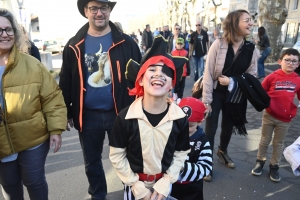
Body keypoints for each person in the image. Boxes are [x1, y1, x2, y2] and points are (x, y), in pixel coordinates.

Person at [59, 0, 141, 199]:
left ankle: (131, 192)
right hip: (88, 115)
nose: (99, 13)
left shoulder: (126, 42)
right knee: (92, 162)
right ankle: (98, 194)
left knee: (127, 158)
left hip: (121, 113)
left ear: (110, 10)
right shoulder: (73, 45)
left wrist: (142, 107)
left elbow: (140, 76)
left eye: (103, 8)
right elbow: (66, 81)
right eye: (94, 8)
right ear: (86, 11)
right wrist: (67, 113)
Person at [109, 35, 190, 200]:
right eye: (152, 69)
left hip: (164, 187)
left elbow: (181, 153)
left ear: (171, 84)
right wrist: (136, 186)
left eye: (166, 72)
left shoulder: (180, 118)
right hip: (135, 187)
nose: (159, 74)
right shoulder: (125, 118)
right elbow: (117, 155)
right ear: (140, 79)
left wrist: (167, 181)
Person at [0, 8, 67, 200]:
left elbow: (52, 98)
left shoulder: (32, 65)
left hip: (33, 139)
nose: (5, 34)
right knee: (9, 185)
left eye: (8, 29)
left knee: (34, 181)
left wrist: (55, 130)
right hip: (2, 142)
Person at [202, 9, 260, 181]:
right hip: (215, 92)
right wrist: (206, 101)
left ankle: (223, 152)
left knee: (228, 126)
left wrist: (233, 81)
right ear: (235, 23)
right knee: (210, 129)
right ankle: (206, 164)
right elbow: (207, 73)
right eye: (247, 20)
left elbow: (253, 75)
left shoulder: (251, 48)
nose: (251, 23)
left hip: (235, 95)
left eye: (251, 20)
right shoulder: (218, 44)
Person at [251, 48, 300, 182]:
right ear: (280, 61)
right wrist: (265, 103)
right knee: (265, 140)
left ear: (298, 64)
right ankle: (260, 161)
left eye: (294, 61)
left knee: (278, 143)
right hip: (269, 115)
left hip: (285, 119)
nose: (290, 63)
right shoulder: (273, 76)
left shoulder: (298, 80)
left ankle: (274, 166)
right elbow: (261, 90)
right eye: (287, 60)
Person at [171, 97, 212, 200]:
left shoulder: (203, 142)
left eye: (189, 126)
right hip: (170, 186)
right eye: (181, 124)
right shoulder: (172, 135)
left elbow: (206, 168)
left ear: (200, 122)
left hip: (192, 190)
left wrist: (182, 167)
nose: (184, 129)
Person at [171, 37, 190, 104]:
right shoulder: (172, 53)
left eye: (181, 44)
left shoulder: (186, 53)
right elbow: (171, 64)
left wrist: (188, 73)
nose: (179, 45)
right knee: (176, 85)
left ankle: (180, 97)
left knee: (182, 86)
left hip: (183, 73)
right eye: (178, 43)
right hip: (176, 73)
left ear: (183, 45)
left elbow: (188, 64)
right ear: (175, 44)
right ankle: (175, 95)